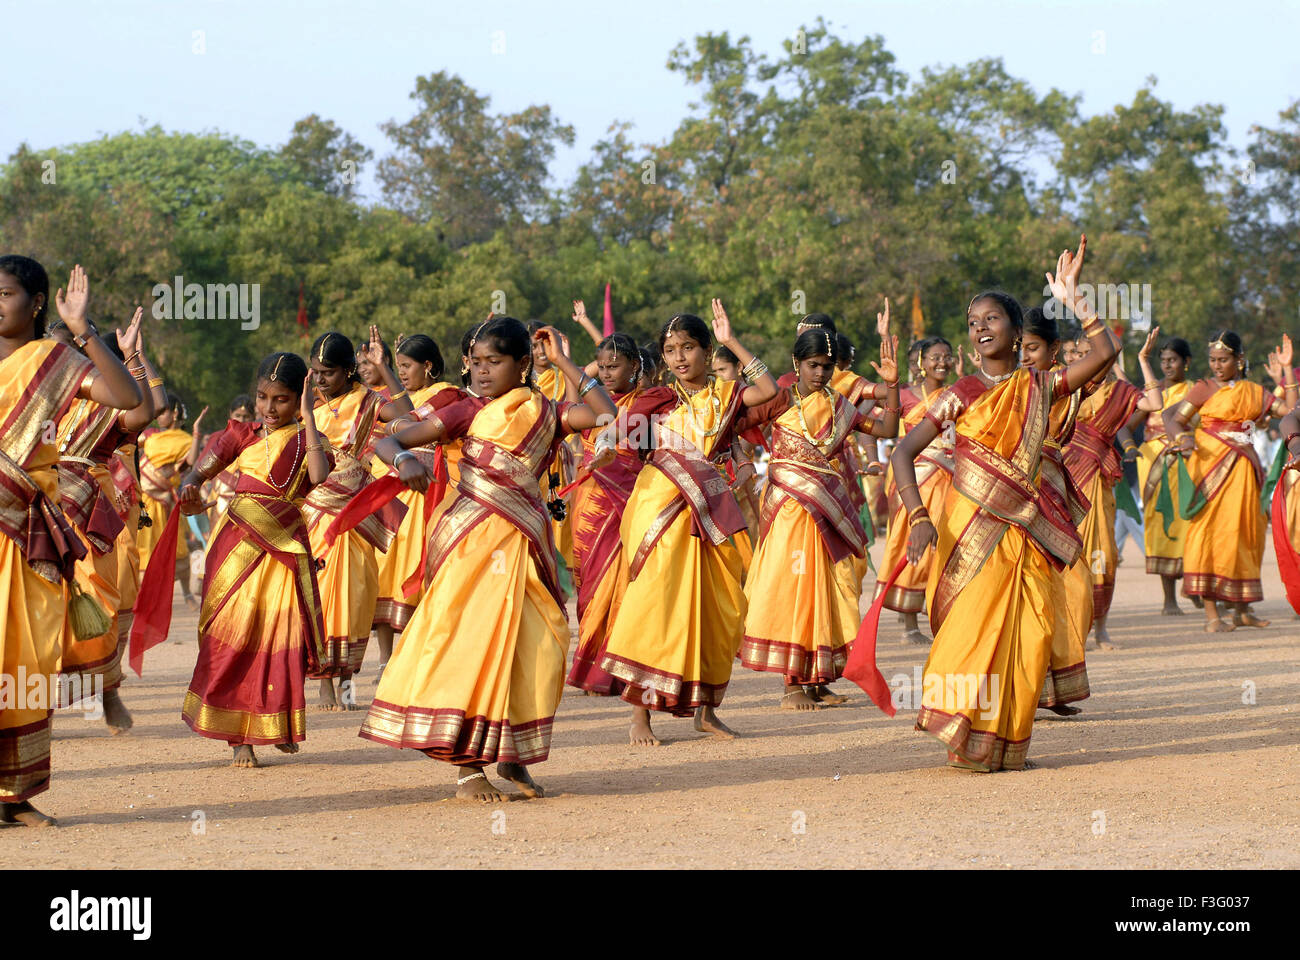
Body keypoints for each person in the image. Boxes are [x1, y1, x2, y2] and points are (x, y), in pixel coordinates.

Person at [360, 319, 616, 801]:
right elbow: (388, 440)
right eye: (475, 362)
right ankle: (468, 769)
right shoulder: (463, 409)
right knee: (473, 646)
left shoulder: (549, 412)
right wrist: (404, 461)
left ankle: (513, 757)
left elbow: (608, 418)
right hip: (472, 546)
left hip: (524, 547)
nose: (481, 372)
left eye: (493, 362)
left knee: (539, 645)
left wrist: (563, 361)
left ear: (522, 365)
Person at [891, 236, 1119, 771]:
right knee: (971, 630)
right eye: (974, 322)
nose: (981, 328)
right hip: (969, 527)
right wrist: (919, 515)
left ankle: (1007, 742)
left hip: (1026, 530)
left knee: (1027, 629)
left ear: (1018, 333)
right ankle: (965, 738)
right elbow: (903, 451)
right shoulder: (962, 392)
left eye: (992, 319)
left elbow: (1105, 354)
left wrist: (1074, 299)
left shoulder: (1040, 386)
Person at [0, 258, 142, 825]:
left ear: (36, 303)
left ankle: (17, 794)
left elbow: (126, 397)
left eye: (6, 293)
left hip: (26, 532)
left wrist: (83, 330)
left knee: (27, 660)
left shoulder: (51, 360)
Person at [599, 301, 779, 745]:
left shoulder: (725, 394)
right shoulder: (656, 399)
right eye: (671, 350)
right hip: (661, 508)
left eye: (689, 348)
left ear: (705, 350)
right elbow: (618, 429)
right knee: (655, 603)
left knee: (717, 608)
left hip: (712, 511)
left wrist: (731, 341)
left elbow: (770, 389)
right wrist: (605, 443)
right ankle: (640, 716)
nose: (680, 357)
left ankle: (706, 710)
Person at [176, 352, 333, 766]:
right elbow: (197, 473)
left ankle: (275, 721)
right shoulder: (239, 434)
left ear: (300, 398)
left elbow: (318, 477)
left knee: (281, 638)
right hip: (236, 550)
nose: (267, 408)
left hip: (283, 552)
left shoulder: (308, 440)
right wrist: (190, 487)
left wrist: (308, 417)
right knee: (238, 636)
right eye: (262, 396)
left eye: (281, 399)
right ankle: (238, 738)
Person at [740, 323, 899, 709]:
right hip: (789, 510)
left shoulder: (839, 405)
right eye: (813, 365)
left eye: (827, 367)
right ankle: (791, 684)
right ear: (797, 363)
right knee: (794, 587)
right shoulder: (779, 400)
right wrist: (747, 469)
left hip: (827, 505)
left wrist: (892, 387)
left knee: (827, 587)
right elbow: (736, 430)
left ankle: (817, 678)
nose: (820, 374)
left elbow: (885, 427)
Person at [50, 307, 164, 734]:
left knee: (95, 602)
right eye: (56, 353)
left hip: (87, 517)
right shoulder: (27, 402)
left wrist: (134, 356)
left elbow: (147, 411)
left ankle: (107, 689)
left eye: (78, 352)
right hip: (33, 511)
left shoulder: (101, 406)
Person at [303, 329, 410, 709]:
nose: (319, 379)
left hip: (354, 516)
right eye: (315, 372)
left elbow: (404, 415)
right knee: (319, 597)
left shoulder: (366, 401)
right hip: (315, 512)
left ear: (349, 371)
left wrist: (385, 367)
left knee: (354, 598)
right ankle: (324, 682)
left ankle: (347, 680)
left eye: (328, 372)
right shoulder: (308, 408)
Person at [1164, 330, 1297, 631]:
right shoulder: (1203, 388)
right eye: (1212, 359)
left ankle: (1242, 610)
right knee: (1210, 536)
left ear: (1239, 359)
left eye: (1223, 360)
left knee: (1245, 534)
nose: (1217, 365)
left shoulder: (1252, 391)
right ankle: (1213, 616)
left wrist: (1287, 370)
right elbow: (1174, 419)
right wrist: (1183, 440)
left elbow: (1290, 411)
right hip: (1209, 469)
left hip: (1245, 471)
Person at [566, 333, 673, 695]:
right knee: (591, 583)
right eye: (604, 367)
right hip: (590, 500)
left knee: (623, 581)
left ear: (635, 367)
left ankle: (615, 668)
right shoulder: (590, 403)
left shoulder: (648, 401)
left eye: (616, 367)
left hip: (630, 499)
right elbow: (582, 376)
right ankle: (591, 664)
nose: (608, 374)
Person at [1061, 326, 1164, 648]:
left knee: (1102, 554)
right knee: (1065, 555)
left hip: (1098, 481)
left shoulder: (1120, 391)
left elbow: (1155, 402)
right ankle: (1067, 630)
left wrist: (1144, 361)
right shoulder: (1069, 385)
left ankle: (1100, 630)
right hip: (1064, 476)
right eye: (1080, 353)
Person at [371, 333, 456, 673]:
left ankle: (413, 658)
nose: (402, 373)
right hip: (388, 492)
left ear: (429, 366)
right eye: (399, 367)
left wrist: (395, 423)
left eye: (407, 366)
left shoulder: (447, 393)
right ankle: (384, 659)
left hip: (424, 493)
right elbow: (398, 423)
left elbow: (413, 422)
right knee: (384, 568)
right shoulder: (386, 397)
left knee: (414, 567)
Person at [877, 336, 955, 644]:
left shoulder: (957, 394)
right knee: (913, 547)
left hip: (951, 478)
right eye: (935, 357)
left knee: (946, 548)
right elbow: (880, 422)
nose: (942, 362)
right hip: (917, 481)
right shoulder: (906, 395)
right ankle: (909, 625)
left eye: (947, 356)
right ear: (921, 362)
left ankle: (943, 617)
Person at [1125, 337, 1193, 614]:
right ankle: (1169, 601)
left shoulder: (1194, 391)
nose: (1167, 365)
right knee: (1163, 526)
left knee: (1190, 526)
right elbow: (1127, 427)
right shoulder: (1151, 394)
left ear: (1186, 363)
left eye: (1173, 360)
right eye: (1163, 360)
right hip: (1154, 465)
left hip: (1187, 463)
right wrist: (1130, 448)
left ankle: (1194, 586)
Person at [137, 392, 205, 608]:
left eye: (163, 410)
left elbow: (189, 464)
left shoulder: (185, 441)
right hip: (145, 502)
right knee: (144, 550)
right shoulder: (148, 435)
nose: (159, 414)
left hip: (167, 501)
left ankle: (186, 593)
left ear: (175, 412)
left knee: (179, 549)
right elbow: (127, 447)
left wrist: (195, 435)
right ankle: (144, 600)